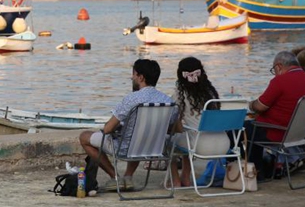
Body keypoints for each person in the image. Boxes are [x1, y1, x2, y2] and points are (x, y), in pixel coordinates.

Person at [79, 59, 174, 192]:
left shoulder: (131, 99)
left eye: (133, 74)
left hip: (125, 149)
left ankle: (115, 177)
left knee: (84, 137)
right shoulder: (168, 101)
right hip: (153, 149)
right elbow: (171, 127)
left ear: (141, 77)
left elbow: (108, 129)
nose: (132, 77)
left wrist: (111, 128)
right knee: (140, 135)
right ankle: (128, 177)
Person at [247, 51, 305, 178]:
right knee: (251, 128)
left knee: (243, 129)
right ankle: (262, 168)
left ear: (279, 66)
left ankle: (254, 171)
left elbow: (260, 106)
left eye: (274, 70)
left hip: (277, 132)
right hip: (298, 134)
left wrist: (250, 104)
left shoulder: (279, 81)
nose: (274, 73)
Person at [168, 57, 225, 187]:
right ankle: (186, 177)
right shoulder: (211, 92)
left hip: (199, 144)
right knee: (188, 134)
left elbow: (173, 118)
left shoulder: (180, 94)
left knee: (168, 140)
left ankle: (176, 180)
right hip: (222, 142)